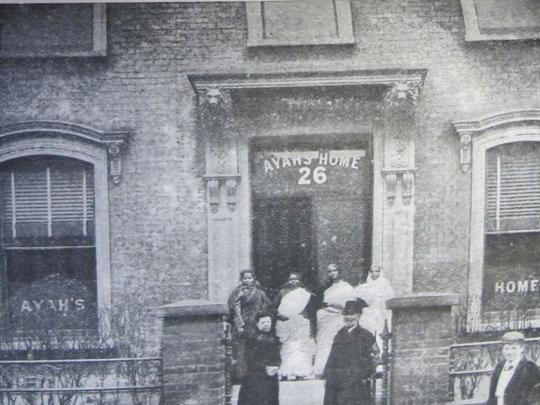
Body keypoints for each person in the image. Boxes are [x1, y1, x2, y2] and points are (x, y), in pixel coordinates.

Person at [323, 298, 378, 405]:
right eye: (346, 315)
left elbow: (373, 358)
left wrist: (363, 373)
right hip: (337, 382)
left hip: (356, 381)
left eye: (352, 314)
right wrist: (328, 374)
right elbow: (332, 356)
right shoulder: (339, 334)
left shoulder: (366, 335)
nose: (349, 318)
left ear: (359, 316)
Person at [227, 269, 271, 381]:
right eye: (245, 278)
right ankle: (240, 375)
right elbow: (235, 309)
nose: (247, 280)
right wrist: (239, 325)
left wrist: (262, 319)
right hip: (243, 324)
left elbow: (267, 305)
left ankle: (256, 373)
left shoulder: (259, 292)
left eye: (249, 278)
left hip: (255, 324)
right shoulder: (238, 292)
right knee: (241, 349)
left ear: (253, 279)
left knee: (255, 348)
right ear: (241, 280)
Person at [274, 272, 316, 379]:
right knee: (289, 347)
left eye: (296, 279)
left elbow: (310, 309)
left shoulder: (304, 293)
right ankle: (287, 372)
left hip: (301, 323)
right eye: (291, 279)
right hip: (287, 323)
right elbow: (274, 307)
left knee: (300, 347)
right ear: (288, 281)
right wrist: (281, 315)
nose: (293, 281)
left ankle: (301, 372)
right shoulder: (282, 292)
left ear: (300, 280)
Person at [314, 263, 354, 376]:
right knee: (324, 343)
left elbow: (347, 304)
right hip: (326, 319)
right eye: (329, 271)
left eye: (334, 270)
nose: (332, 273)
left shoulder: (346, 287)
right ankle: (323, 369)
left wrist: (333, 304)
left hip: (338, 317)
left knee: (337, 343)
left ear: (339, 271)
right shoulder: (327, 290)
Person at [485, 331, 540, 405]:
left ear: (522, 348)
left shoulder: (529, 367)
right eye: (506, 349)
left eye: (514, 348)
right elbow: (492, 395)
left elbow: (536, 395)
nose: (509, 352)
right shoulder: (500, 366)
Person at [237, 312, 281, 405]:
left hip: (271, 376)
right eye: (263, 322)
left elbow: (277, 355)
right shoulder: (252, 339)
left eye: (268, 322)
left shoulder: (274, 338)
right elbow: (249, 358)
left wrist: (276, 365)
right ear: (257, 324)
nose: (266, 325)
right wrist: (264, 367)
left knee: (271, 398)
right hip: (255, 375)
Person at [353, 265, 395, 348]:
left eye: (376, 271)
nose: (374, 274)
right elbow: (357, 294)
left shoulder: (385, 284)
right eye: (372, 271)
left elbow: (390, 296)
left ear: (380, 272)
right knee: (368, 332)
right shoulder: (366, 286)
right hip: (370, 313)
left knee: (382, 334)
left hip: (382, 312)